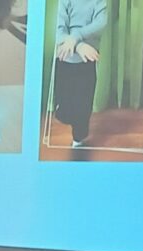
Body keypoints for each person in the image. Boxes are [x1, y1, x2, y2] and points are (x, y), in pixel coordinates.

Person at [52, 0, 108, 147]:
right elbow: (59, 31)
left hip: (86, 62)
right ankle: (71, 121)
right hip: (65, 59)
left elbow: (101, 23)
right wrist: (79, 46)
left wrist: (76, 36)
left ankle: (78, 139)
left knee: (83, 106)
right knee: (64, 109)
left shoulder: (99, 2)